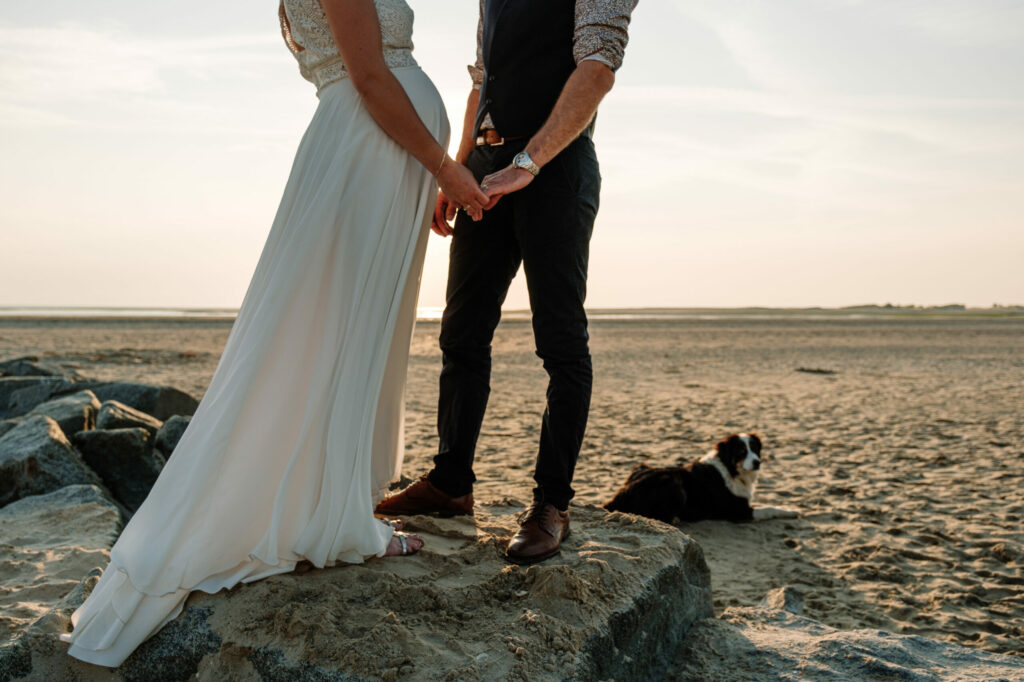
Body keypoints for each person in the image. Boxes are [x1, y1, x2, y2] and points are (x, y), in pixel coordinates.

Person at [60, 0, 487, 667]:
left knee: (355, 330)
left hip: (379, 148)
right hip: (372, 146)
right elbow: (372, 77)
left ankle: (334, 505)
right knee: (334, 329)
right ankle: (336, 523)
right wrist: (446, 166)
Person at [375, 0, 638, 565]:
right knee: (461, 335)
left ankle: (551, 504)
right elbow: (482, 79)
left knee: (561, 344)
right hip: (487, 171)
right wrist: (464, 163)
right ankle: (450, 484)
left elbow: (597, 70)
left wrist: (529, 161)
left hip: (556, 172)